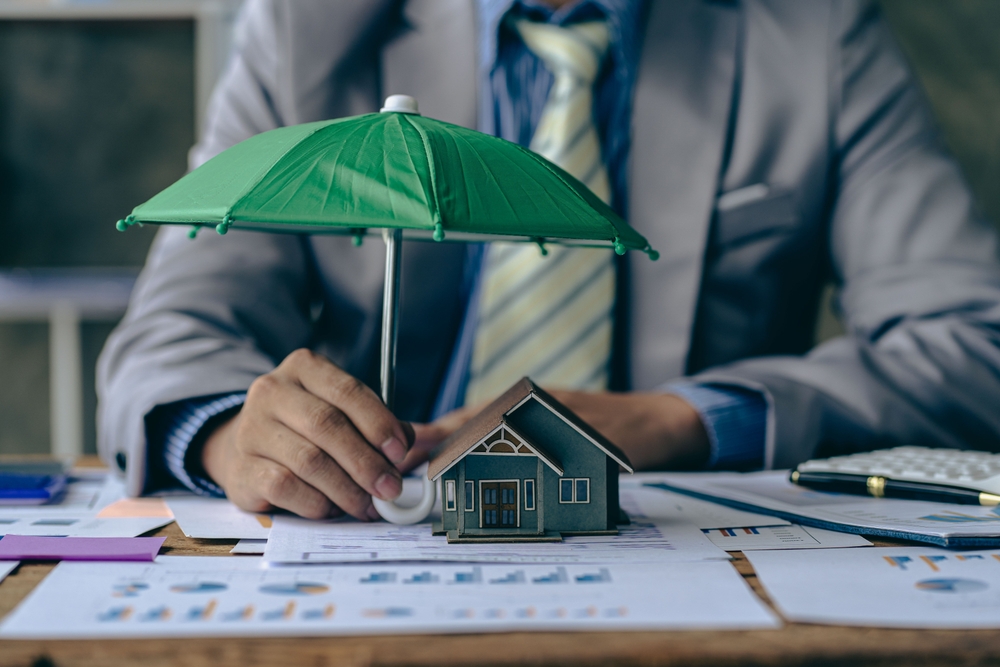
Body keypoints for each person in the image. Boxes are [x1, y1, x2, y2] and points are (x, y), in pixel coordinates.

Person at [98, 0, 1000, 522]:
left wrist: (684, 417)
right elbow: (174, 330)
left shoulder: (815, 34)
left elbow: (974, 341)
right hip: (371, 538)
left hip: (677, 548)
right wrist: (228, 434)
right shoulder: (307, 26)